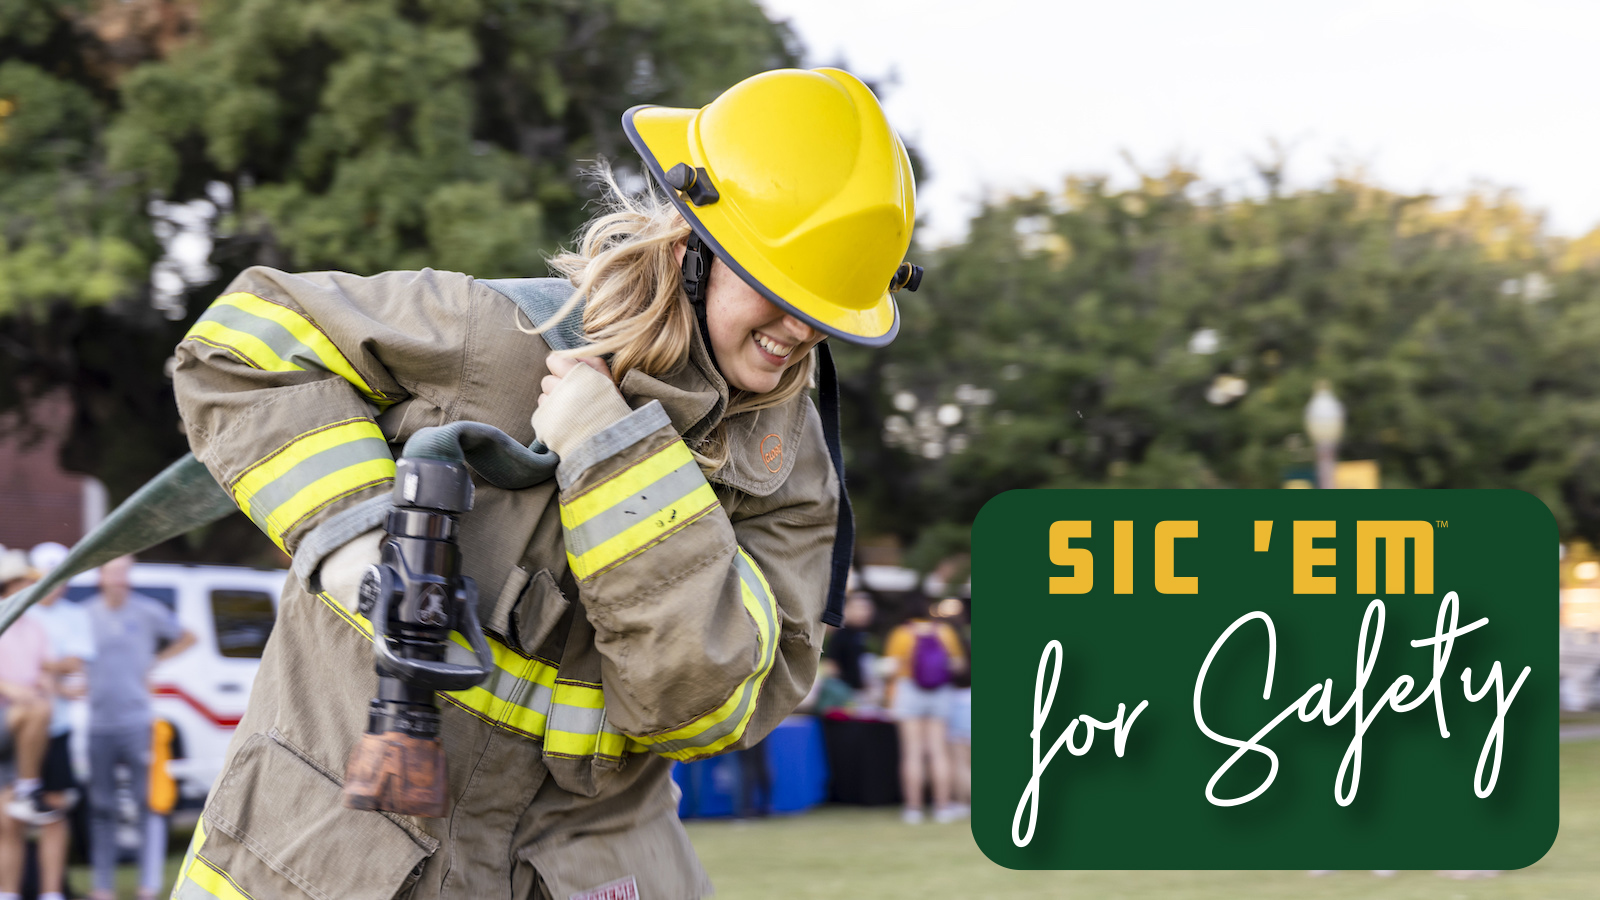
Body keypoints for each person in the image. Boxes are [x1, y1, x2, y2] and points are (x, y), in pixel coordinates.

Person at [166, 67, 918, 899]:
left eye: (824, 308)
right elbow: (244, 343)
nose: (798, 331)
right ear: (689, 246)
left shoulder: (791, 474)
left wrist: (611, 452)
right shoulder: (499, 337)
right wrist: (356, 550)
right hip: (325, 859)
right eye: (777, 290)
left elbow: (707, 706)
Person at [83, 555, 195, 900]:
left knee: (149, 802)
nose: (120, 578)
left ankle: (149, 885)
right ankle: (103, 886)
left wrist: (154, 661)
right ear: (101, 576)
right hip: (98, 724)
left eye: (124, 572)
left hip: (137, 723)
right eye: (113, 572)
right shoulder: (85, 614)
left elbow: (188, 637)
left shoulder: (147, 611)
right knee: (101, 806)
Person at [0, 551, 64, 900]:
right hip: (7, 719)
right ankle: (28, 787)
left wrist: (47, 685)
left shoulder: (36, 628)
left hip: (22, 731)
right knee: (36, 710)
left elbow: (42, 671)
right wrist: (14, 690)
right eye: (24, 583)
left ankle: (8, 893)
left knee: (10, 819)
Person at [884, 596, 966, 824]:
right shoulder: (945, 632)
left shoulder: (901, 634)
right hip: (940, 692)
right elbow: (957, 664)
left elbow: (890, 667)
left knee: (912, 752)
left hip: (908, 690)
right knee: (938, 751)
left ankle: (913, 809)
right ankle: (942, 806)